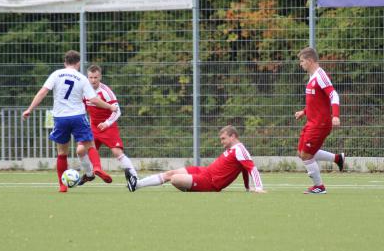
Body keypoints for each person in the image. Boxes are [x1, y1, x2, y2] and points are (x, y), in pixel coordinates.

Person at [22, 50, 117, 193]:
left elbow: (42, 92)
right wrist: (110, 106)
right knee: (90, 145)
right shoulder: (82, 78)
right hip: (78, 116)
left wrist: (30, 109)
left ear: (65, 63)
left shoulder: (56, 74)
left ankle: (62, 185)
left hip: (60, 118)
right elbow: (94, 100)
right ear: (78, 63)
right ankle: (97, 168)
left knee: (62, 152)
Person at [126, 125, 265, 193]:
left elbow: (251, 168)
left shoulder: (240, 150)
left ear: (233, 136)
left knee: (174, 179)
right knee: (171, 173)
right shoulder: (233, 150)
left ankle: (192, 187)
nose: (221, 142)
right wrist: (247, 187)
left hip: (210, 182)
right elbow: (243, 169)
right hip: (205, 171)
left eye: (223, 139)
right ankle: (136, 184)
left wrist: (258, 188)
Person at [295, 47, 345, 195]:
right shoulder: (312, 76)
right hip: (311, 122)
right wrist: (303, 112)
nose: (301, 64)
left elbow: (333, 95)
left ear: (310, 61)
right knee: (301, 153)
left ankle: (319, 187)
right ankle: (337, 158)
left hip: (320, 124)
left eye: (302, 61)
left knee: (306, 155)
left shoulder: (320, 76)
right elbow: (316, 101)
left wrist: (335, 115)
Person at [78, 64, 138, 187]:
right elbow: (83, 108)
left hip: (108, 126)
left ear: (100, 77)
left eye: (96, 77)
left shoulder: (106, 92)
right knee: (80, 150)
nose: (93, 80)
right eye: (91, 77)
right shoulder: (84, 91)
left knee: (117, 152)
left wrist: (107, 123)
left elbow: (118, 111)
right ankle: (89, 174)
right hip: (93, 127)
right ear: (87, 77)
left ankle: (135, 178)